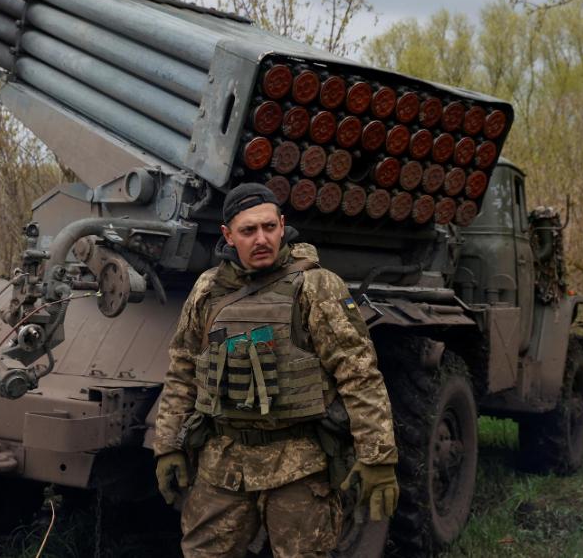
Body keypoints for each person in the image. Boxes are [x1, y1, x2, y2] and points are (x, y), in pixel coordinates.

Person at [152, 182, 399, 557]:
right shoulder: (207, 289)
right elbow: (183, 369)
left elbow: (359, 373)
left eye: (269, 227)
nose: (261, 238)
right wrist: (167, 446)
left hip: (298, 466)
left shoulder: (315, 286)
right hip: (223, 464)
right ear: (228, 235)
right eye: (248, 231)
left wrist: (378, 456)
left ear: (282, 226)